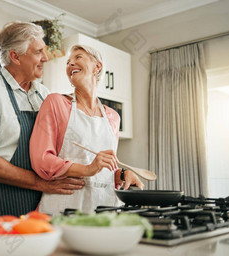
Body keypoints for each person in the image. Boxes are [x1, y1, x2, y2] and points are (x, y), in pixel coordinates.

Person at [0, 22, 85, 218]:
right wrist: (38, 182)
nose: (45, 58)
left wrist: (116, 172)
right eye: (38, 52)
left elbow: (65, 145)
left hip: (38, 203)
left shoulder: (44, 94)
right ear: (15, 56)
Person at [30, 44, 144, 215]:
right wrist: (87, 169)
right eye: (68, 62)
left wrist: (122, 174)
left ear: (97, 66)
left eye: (78, 57)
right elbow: (42, 160)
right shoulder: (56, 103)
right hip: (64, 207)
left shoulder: (113, 117)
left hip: (104, 210)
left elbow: (105, 170)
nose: (71, 64)